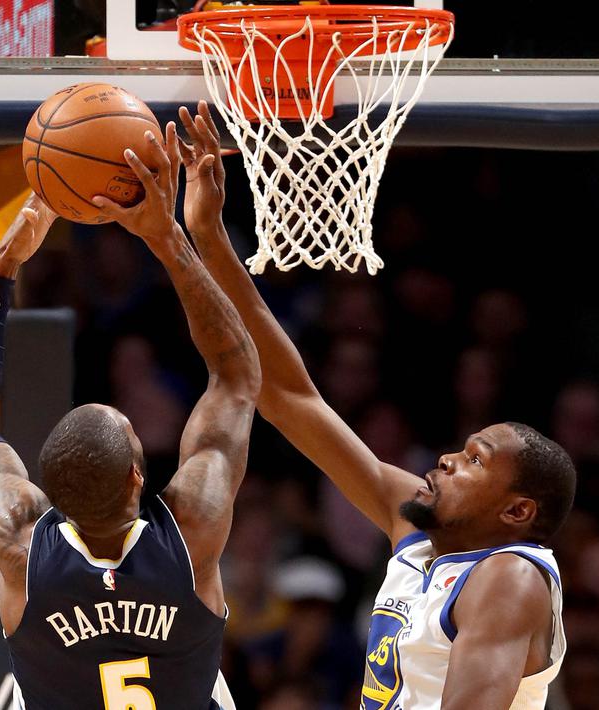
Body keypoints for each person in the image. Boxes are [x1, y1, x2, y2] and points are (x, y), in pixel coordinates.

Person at [176, 101, 576, 710]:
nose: (447, 459)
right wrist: (205, 235)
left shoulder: (510, 576)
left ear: (517, 511)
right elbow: (289, 397)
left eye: (475, 459)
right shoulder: (414, 527)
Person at [0, 122, 260, 709]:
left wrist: (2, 271)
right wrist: (167, 238)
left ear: (47, 494)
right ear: (138, 476)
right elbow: (236, 378)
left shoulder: (20, 543)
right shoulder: (192, 531)